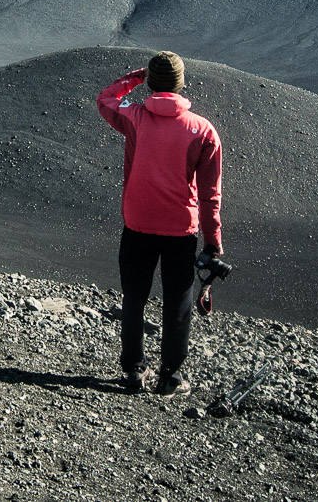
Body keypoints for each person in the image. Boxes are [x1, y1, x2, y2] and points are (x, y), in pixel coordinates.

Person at [97, 51, 222, 396]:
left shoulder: (134, 117)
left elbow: (106, 98)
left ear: (152, 83)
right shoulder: (202, 130)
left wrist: (136, 77)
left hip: (137, 223)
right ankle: (170, 377)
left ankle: (133, 372)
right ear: (181, 85)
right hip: (181, 230)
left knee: (134, 296)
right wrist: (213, 241)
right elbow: (211, 194)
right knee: (178, 301)